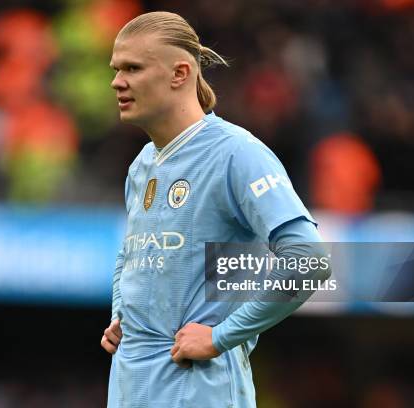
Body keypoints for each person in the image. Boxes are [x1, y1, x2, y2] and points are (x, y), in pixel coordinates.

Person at [100, 11, 331, 408]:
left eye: (133, 68)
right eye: (117, 69)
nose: (117, 81)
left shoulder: (236, 153)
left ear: (180, 74)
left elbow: (308, 259)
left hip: (197, 393)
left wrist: (221, 336)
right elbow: (132, 253)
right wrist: (122, 312)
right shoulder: (142, 165)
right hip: (129, 388)